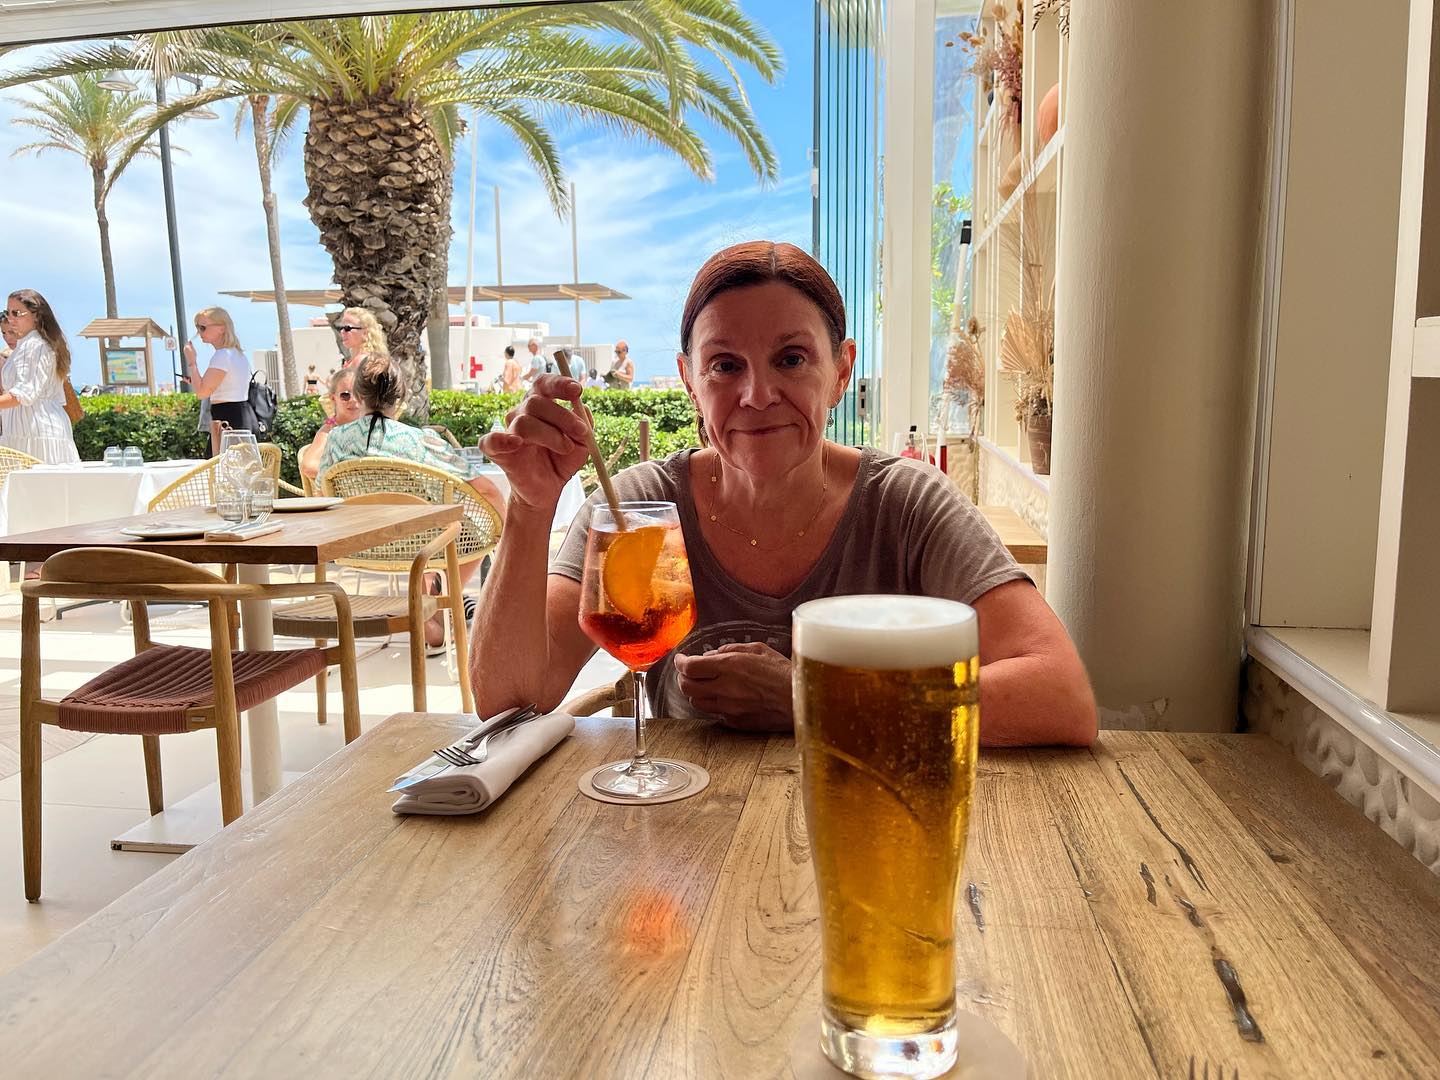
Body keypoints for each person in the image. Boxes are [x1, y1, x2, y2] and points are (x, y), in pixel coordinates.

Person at [473, 241, 1097, 745]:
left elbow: (1060, 695)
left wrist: (813, 698)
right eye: (725, 365)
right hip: (683, 851)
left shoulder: (907, 503)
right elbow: (508, 700)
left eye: (792, 359)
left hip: (867, 830)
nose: (757, 395)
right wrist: (530, 509)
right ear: (690, 379)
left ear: (841, 371)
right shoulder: (639, 509)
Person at [317, 353, 506, 645]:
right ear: (401, 396)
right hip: (420, 544)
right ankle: (434, 595)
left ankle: (429, 601)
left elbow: (322, 489)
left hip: (358, 542)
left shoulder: (336, 439)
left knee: (449, 528)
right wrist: (502, 528)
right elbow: (488, 491)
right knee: (478, 531)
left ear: (357, 394)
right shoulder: (421, 440)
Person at [0, 289, 79, 463]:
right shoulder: (25, 346)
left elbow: (23, 394)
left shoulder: (36, 346)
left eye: (17, 313)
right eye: (8, 313)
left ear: (36, 315)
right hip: (24, 432)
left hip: (37, 432)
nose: (10, 319)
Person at [183, 306, 254, 437]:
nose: (199, 332)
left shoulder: (222, 356)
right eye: (197, 327)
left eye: (203, 327)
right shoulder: (237, 354)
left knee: (220, 457)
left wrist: (192, 362)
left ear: (221, 328)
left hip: (227, 419)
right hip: (240, 415)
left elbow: (202, 393)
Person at [298, 366, 362, 481]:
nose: (353, 399)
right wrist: (352, 476)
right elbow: (308, 467)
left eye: (359, 394)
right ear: (333, 398)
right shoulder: (329, 430)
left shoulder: (368, 427)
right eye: (345, 395)